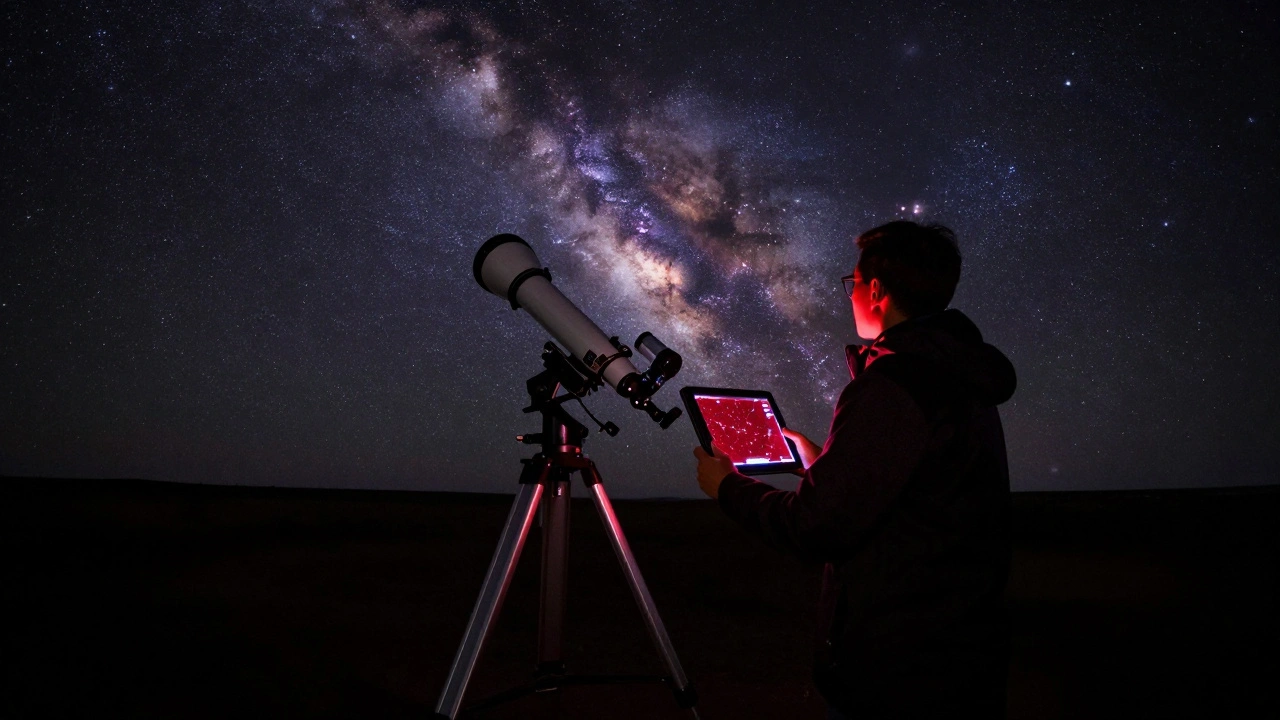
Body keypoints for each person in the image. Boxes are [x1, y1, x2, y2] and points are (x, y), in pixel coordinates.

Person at [693, 220, 1016, 718]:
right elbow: (918, 487)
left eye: (853, 282)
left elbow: (815, 527)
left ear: (878, 290)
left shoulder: (889, 384)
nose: (850, 294)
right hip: (959, 651)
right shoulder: (957, 374)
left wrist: (729, 487)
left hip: (899, 671)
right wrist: (822, 463)